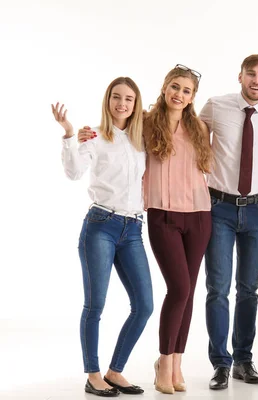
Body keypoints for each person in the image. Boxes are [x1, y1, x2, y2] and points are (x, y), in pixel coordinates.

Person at [52, 77, 152, 397]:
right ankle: (93, 374)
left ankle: (115, 371)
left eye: (129, 99)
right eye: (116, 97)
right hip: (101, 226)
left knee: (145, 305)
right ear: (107, 100)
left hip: (133, 229)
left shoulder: (142, 140)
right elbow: (73, 172)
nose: (122, 104)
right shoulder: (94, 136)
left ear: (136, 104)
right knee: (96, 304)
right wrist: (69, 134)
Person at [199, 54, 258, 390]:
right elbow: (188, 134)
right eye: (251, 74)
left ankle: (243, 360)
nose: (256, 80)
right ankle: (220, 363)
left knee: (249, 289)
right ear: (240, 76)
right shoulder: (215, 105)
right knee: (217, 288)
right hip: (218, 207)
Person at [143, 64, 212, 394]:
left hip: (199, 216)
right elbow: (111, 132)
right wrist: (80, 133)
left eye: (186, 90)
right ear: (165, 87)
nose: (179, 94)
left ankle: (178, 362)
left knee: (188, 292)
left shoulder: (199, 127)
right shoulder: (145, 122)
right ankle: (163, 362)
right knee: (179, 289)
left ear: (192, 97)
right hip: (162, 216)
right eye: (175, 87)